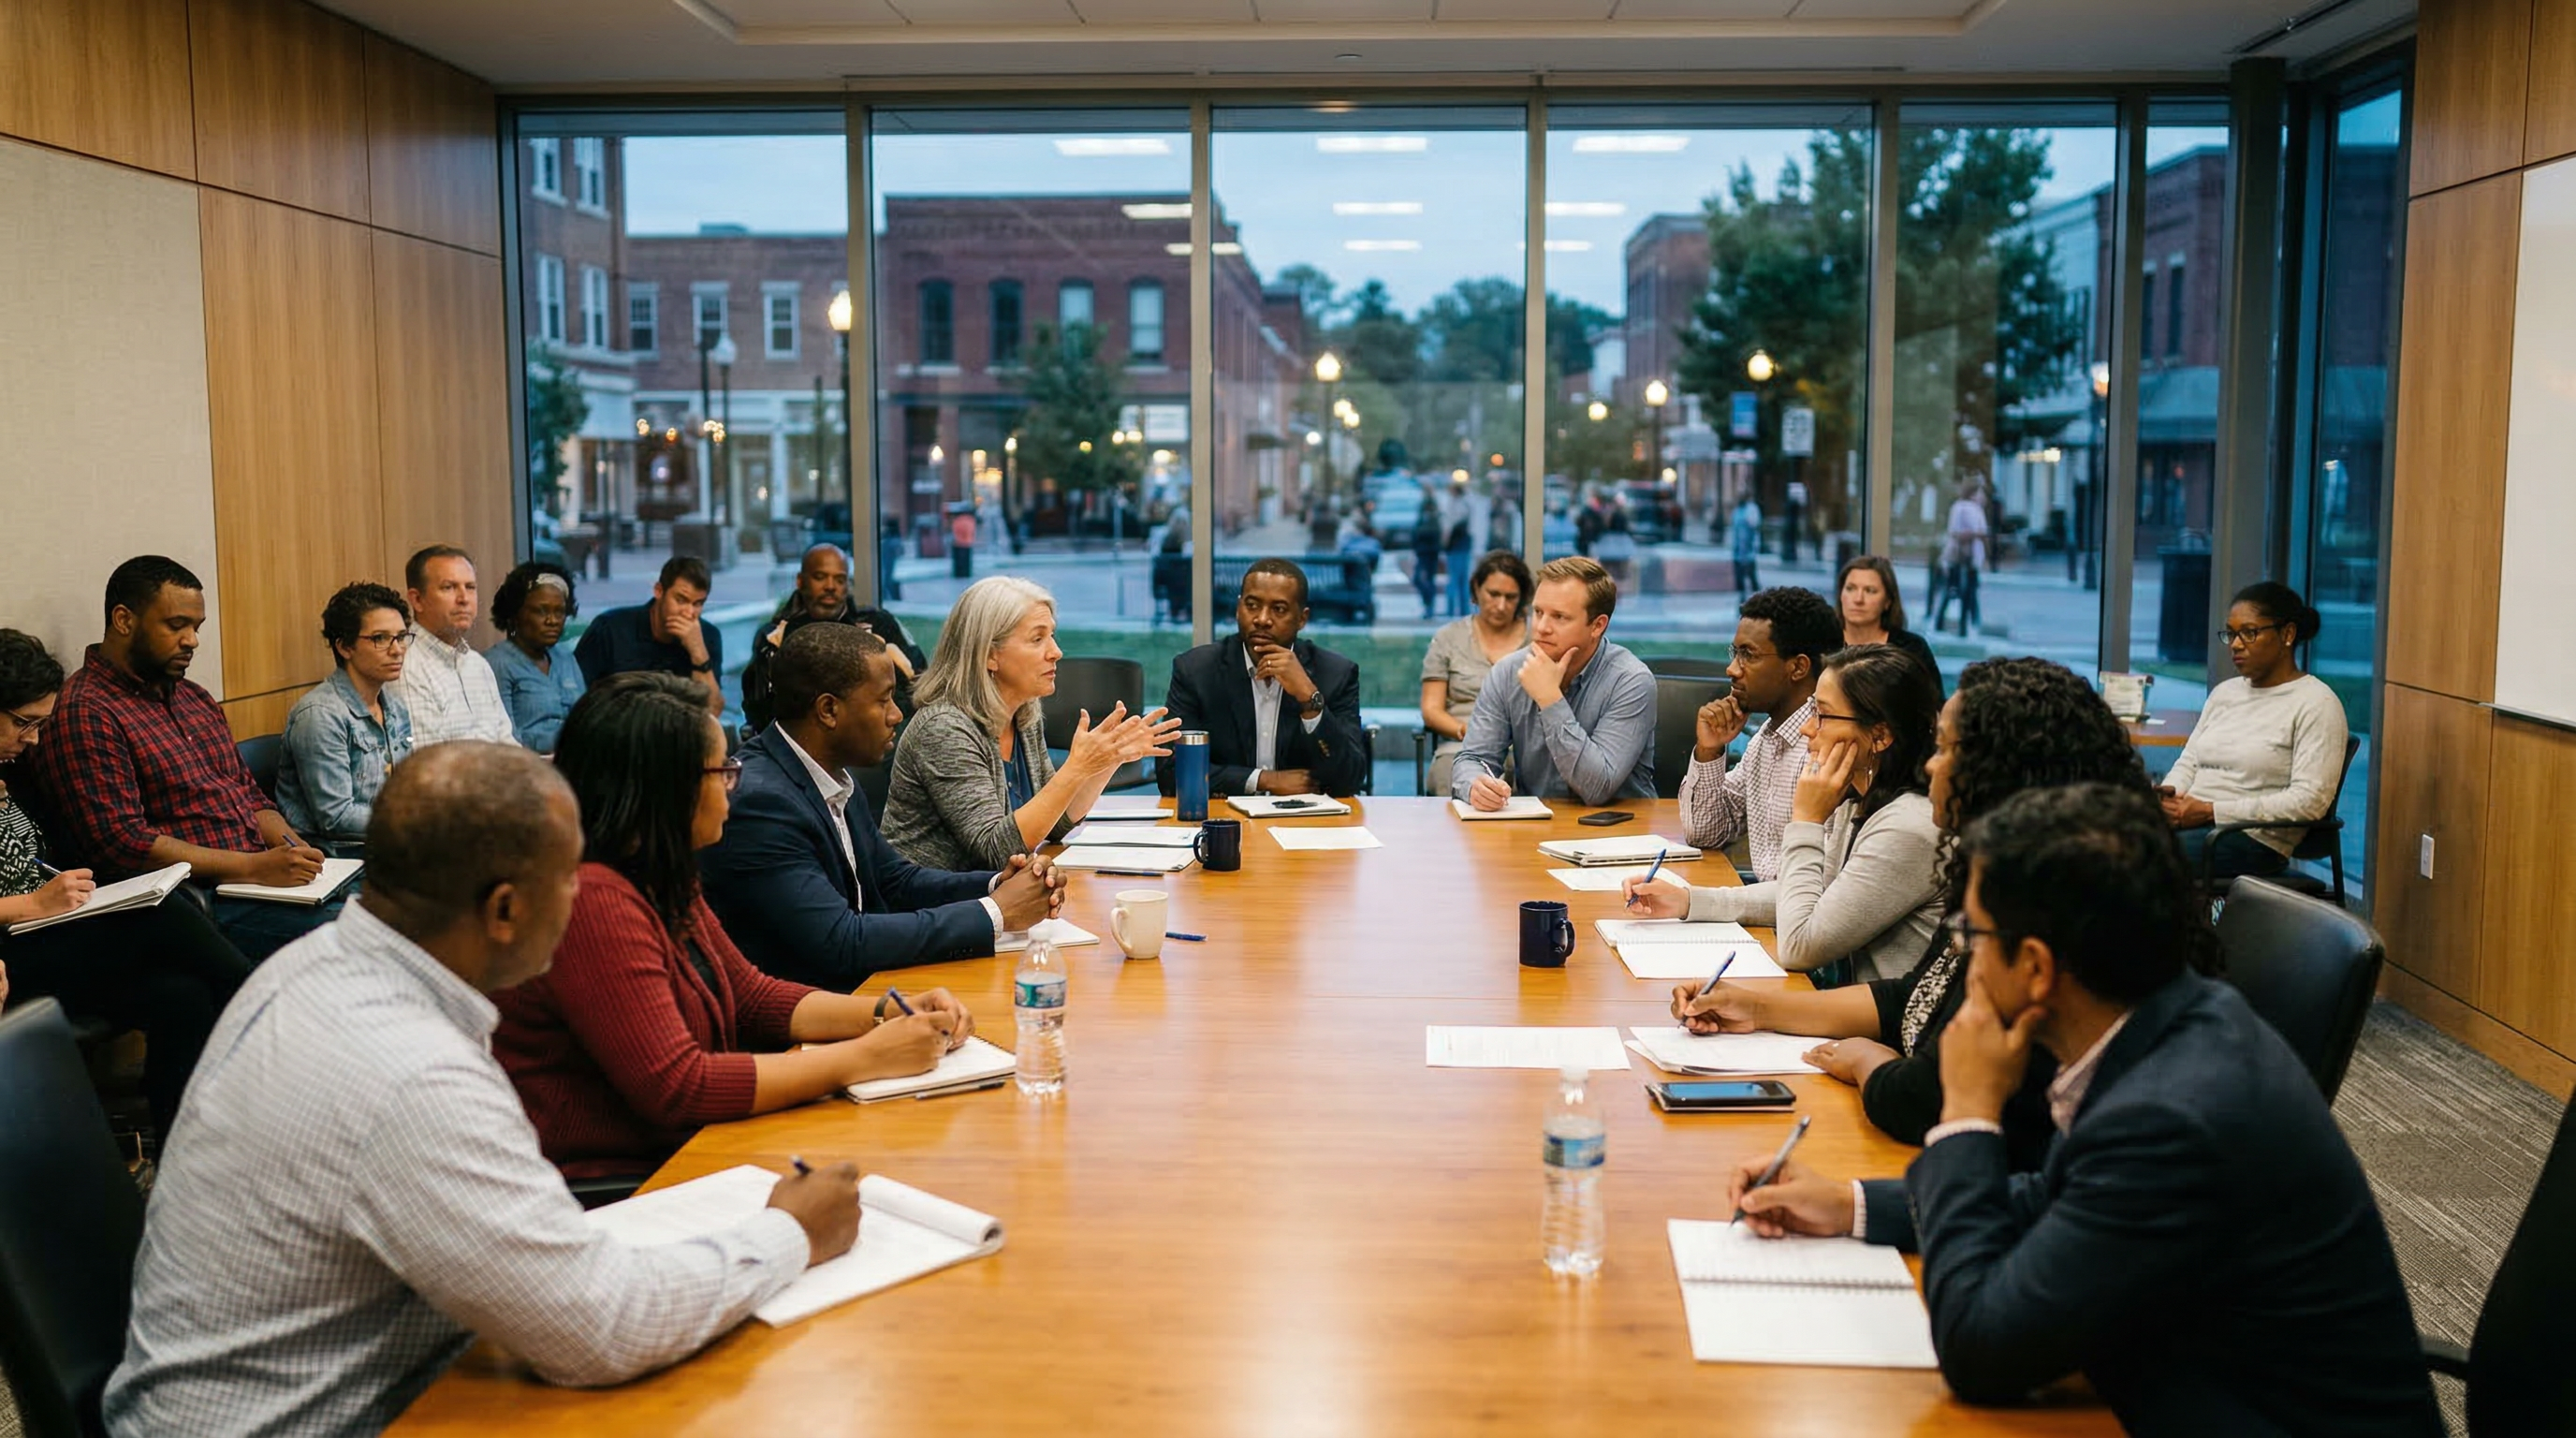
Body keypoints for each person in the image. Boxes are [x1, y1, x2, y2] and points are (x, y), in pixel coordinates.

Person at [101, 742, 865, 1435]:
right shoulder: (411, 1072)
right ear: (505, 910)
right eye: (569, 880)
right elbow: (602, 1328)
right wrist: (790, 1232)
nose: (584, 898)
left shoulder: (314, 966)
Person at [1717, 783, 2443, 1437]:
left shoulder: (2172, 1114)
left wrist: (1966, 1113)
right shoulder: (2169, 1022)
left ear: (2033, 968)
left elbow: (1981, 1351)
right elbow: (2055, 1196)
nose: (1962, 959)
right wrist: (1850, 1204)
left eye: (1970, 938)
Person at [1671, 657, 2167, 1168]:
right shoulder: (1990, 867)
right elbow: (1914, 991)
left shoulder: (2033, 901)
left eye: (1949, 749)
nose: (1932, 763)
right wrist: (1756, 1008)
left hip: (1939, 1135)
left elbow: (1929, 1091)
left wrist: (1872, 1063)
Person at [493, 674, 976, 1181]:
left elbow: (750, 996)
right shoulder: (592, 897)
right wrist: (866, 1056)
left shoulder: (662, 873)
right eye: (721, 769)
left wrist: (886, 1011)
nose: (733, 783)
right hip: (628, 1185)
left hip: (693, 1150)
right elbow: (681, 1086)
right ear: (665, 788)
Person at [703, 624, 1064, 989]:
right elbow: (840, 940)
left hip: (863, 989)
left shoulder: (831, 774)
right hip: (808, 1021)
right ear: (828, 709)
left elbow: (894, 880)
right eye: (883, 699)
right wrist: (997, 912)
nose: (896, 715)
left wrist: (997, 884)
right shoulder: (763, 803)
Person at [0, 629, 253, 1132]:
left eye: (39, 726)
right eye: (23, 724)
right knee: (166, 913)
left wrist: (61, 891)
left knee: (181, 993)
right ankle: (262, 1003)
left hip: (45, 930)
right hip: (12, 945)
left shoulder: (10, 768)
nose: (32, 741)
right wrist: (29, 904)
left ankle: (180, 1149)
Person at [22, 556, 334, 961]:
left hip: (261, 879)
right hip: (201, 903)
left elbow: (250, 797)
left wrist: (294, 850)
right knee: (352, 938)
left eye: (196, 627)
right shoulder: (86, 711)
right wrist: (254, 867)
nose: (192, 641)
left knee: (393, 911)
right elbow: (123, 845)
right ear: (123, 620)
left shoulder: (194, 697)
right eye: (176, 626)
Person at [1626, 645, 1941, 982]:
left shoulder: (1906, 827)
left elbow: (1799, 947)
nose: (1807, 729)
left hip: (1890, 1031)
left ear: (1879, 736)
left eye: (1822, 715)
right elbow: (1814, 894)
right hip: (1850, 1008)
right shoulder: (1860, 803)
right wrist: (1689, 901)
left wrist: (1807, 819)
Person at [881, 576, 1178, 872]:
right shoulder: (944, 729)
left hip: (991, 900)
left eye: (1052, 635)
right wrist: (1078, 767)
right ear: (989, 655)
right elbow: (997, 850)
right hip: (932, 909)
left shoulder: (1022, 712)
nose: (1056, 652)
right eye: (1038, 639)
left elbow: (1055, 825)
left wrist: (1110, 759)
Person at [2161, 580, 2349, 882]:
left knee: (2133, 857)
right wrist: (2170, 796)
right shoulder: (2225, 693)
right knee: (2094, 839)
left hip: (2252, 839)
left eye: (2249, 633)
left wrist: (2212, 811)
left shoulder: (2317, 703)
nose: (2236, 644)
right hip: (2194, 824)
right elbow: (2190, 762)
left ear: (2287, 634)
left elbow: (2309, 801)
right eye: (2232, 634)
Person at [1451, 556, 1657, 810]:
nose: (1541, 628)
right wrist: (1476, 785)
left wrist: (1550, 699)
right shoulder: (1508, 672)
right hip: (1538, 828)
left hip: (1621, 831)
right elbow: (1473, 758)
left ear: (1597, 625)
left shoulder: (1631, 681)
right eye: (1538, 612)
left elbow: (1597, 789)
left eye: (1559, 617)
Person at [1160, 559, 1369, 800]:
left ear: (1302, 618)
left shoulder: (1335, 674)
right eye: (1252, 605)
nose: (1262, 619)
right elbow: (1171, 771)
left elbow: (1349, 780)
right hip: (1226, 820)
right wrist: (1264, 780)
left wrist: (1310, 700)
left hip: (1305, 824)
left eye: (1278, 609)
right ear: (1239, 608)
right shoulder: (1196, 671)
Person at [1678, 585, 1839, 876]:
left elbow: (1815, 886)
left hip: (1791, 915)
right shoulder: (1766, 738)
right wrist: (1709, 751)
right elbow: (1705, 833)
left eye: (1748, 655)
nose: (1732, 669)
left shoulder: (1824, 749)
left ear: (1798, 667)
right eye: (1735, 653)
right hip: (1769, 910)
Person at [276, 582, 417, 854]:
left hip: (390, 841)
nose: (397, 649)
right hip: (341, 854)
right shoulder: (320, 714)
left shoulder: (395, 706)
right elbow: (336, 817)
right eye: (380, 638)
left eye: (401, 637)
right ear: (344, 647)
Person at [739, 544, 927, 734]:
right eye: (820, 577)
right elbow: (758, 710)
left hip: (879, 735)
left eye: (839, 579)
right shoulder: (775, 637)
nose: (830, 587)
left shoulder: (878, 624)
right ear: (800, 581)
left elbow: (921, 684)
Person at [1419, 550, 1532, 796]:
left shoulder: (1537, 640)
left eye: (1510, 597)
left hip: (1525, 749)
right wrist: (1470, 732)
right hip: (1462, 744)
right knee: (1452, 775)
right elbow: (1431, 710)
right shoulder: (1449, 638)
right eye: (1493, 594)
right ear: (1476, 590)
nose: (1501, 605)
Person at [392, 545, 518, 746]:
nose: (464, 599)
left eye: (470, 587)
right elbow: (428, 765)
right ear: (417, 600)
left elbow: (507, 744)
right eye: (448, 587)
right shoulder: (405, 665)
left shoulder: (478, 664)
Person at [574, 555, 724, 715]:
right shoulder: (610, 628)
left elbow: (712, 712)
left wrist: (699, 654)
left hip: (678, 733)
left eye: (698, 604)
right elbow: (575, 696)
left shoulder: (707, 636)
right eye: (681, 600)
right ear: (659, 591)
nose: (689, 613)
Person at [484, 561, 587, 753]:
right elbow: (504, 742)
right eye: (541, 611)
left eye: (560, 612)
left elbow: (586, 720)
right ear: (514, 615)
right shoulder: (496, 664)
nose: (552, 620)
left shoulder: (565, 658)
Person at [1836, 553, 1939, 683]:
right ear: (1840, 595)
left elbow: (1935, 702)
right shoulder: (1822, 643)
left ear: (1888, 601)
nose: (1858, 599)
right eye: (1850, 589)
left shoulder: (1911, 649)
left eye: (1870, 591)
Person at [1933, 479, 1989, 636]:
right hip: (1963, 557)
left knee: (1960, 590)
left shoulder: (1962, 507)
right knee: (1964, 590)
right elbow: (1966, 532)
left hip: (1962, 557)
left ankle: (1968, 622)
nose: (1983, 496)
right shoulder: (1968, 509)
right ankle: (1968, 624)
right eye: (1980, 493)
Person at [1440, 476, 1476, 617]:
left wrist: (1445, 540)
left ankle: (1452, 610)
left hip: (1456, 545)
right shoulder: (1465, 503)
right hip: (1462, 545)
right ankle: (1462, 610)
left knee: (1454, 579)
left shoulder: (1456, 505)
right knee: (1461, 579)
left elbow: (1450, 525)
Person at [1409, 492, 1443, 620]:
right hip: (1422, 553)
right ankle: (1428, 603)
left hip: (1431, 553)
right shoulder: (1421, 520)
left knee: (1427, 579)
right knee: (1419, 579)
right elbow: (1415, 535)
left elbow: (1433, 534)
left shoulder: (1434, 521)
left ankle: (1429, 606)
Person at [1728, 492, 1763, 596]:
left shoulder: (1751, 510)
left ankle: (1756, 597)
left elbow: (1754, 526)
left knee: (1751, 576)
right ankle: (1742, 598)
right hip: (1738, 550)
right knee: (1740, 579)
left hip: (1748, 551)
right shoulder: (1737, 511)